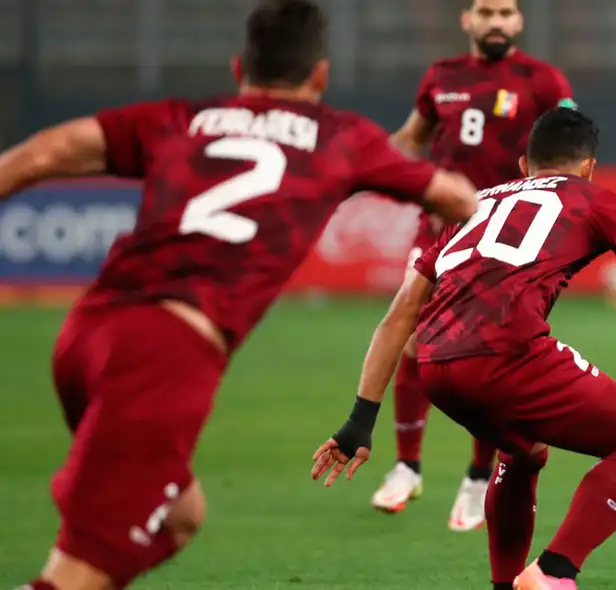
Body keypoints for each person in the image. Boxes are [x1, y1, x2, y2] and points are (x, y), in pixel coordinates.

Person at [0, 1, 478, 588]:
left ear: (237, 70)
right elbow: (456, 199)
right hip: (165, 354)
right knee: (75, 574)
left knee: (179, 516)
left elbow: (40, 154)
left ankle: (89, 510)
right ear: (321, 75)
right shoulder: (341, 138)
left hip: (85, 334)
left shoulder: (181, 118)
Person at [312, 107, 616, 590]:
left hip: (436, 366)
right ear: (590, 166)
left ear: (524, 165)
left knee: (523, 451)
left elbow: (399, 316)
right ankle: (555, 572)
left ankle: (506, 585)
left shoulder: (474, 204)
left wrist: (360, 419)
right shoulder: (591, 197)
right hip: (507, 354)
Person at [373, 0, 577, 532]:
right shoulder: (441, 76)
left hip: (506, 231)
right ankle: (407, 464)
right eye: (485, 11)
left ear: (519, 22)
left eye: (505, 12)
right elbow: (410, 139)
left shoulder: (543, 80)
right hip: (438, 227)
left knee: (487, 349)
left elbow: (570, 144)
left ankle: (477, 475)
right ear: (467, 19)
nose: (495, 21)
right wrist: (371, 166)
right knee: (414, 339)